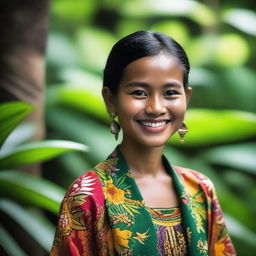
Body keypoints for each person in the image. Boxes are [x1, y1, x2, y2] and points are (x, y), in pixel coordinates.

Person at [50, 30, 236, 256]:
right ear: (111, 100)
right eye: (139, 92)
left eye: (170, 92)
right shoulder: (88, 196)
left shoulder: (200, 188)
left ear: (186, 98)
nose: (156, 107)